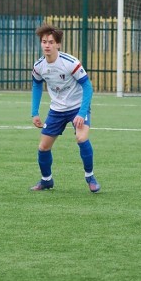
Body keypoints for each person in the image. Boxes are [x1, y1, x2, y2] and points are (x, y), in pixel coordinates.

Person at [30, 24, 101, 193]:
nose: (47, 45)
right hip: (56, 110)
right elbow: (37, 85)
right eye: (44, 42)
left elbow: (88, 87)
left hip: (77, 107)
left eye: (51, 42)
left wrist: (82, 113)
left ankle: (90, 177)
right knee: (43, 147)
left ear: (58, 45)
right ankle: (46, 180)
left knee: (81, 138)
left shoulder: (70, 63)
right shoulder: (39, 66)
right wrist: (35, 112)